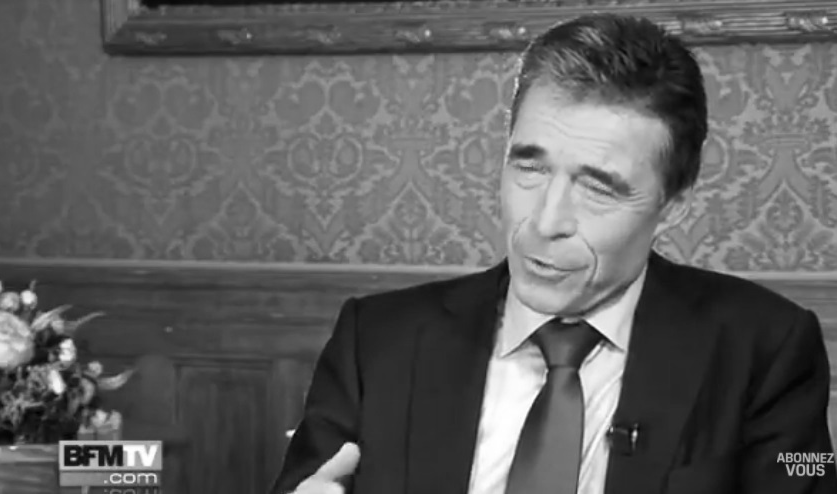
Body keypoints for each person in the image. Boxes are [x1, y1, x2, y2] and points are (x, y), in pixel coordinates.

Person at [270, 13, 836, 494]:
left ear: (674, 205)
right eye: (530, 167)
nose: (545, 222)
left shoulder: (769, 348)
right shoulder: (375, 341)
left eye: (599, 188)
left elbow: (807, 473)